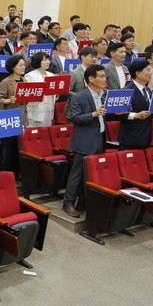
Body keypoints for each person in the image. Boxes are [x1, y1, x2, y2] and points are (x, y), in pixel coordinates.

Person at [62, 65, 108, 217]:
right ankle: (68, 203)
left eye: (104, 76)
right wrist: (93, 114)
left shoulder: (103, 95)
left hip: (100, 139)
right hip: (84, 141)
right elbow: (75, 118)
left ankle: (82, 202)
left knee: (92, 174)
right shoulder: (79, 97)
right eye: (101, 76)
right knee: (77, 175)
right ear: (91, 78)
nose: (104, 79)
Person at [117, 60, 153, 150]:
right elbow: (118, 113)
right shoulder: (125, 91)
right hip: (131, 137)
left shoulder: (148, 90)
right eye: (148, 71)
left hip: (146, 136)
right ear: (138, 73)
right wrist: (135, 115)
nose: (150, 74)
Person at [65, 47, 99, 118]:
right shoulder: (75, 73)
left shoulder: (97, 73)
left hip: (94, 107)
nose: (94, 59)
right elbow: (67, 91)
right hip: (78, 108)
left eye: (95, 57)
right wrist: (80, 97)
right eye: (91, 57)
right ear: (83, 57)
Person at [24, 52, 55, 127]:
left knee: (47, 133)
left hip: (49, 108)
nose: (47, 62)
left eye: (48, 59)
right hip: (36, 110)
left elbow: (54, 93)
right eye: (44, 60)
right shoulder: (30, 76)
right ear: (38, 62)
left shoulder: (51, 75)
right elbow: (28, 95)